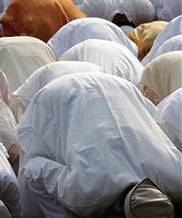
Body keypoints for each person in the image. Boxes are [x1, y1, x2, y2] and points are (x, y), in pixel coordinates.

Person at [18, 72, 182, 217]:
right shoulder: (88, 193)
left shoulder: (177, 179)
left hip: (113, 87)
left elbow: (34, 168)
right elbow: (32, 168)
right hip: (62, 94)